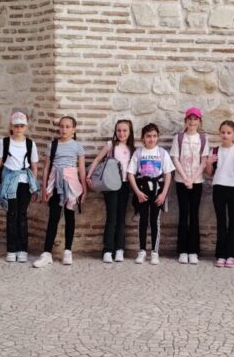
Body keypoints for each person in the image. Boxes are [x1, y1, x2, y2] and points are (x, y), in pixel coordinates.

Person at [34, 116, 87, 267]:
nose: (64, 129)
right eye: (62, 126)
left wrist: (84, 189)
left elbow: (81, 170)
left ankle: (68, 251)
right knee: (53, 217)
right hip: (55, 183)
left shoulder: (78, 147)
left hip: (71, 185)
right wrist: (44, 187)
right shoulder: (53, 145)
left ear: (74, 129)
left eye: (67, 127)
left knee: (70, 217)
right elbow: (46, 168)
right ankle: (47, 253)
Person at [0, 111, 40, 263]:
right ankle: (11, 249)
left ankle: (22, 249)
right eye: (16, 125)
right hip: (9, 182)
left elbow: (34, 167)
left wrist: (34, 187)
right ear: (11, 126)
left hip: (25, 182)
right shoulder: (4, 143)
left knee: (22, 215)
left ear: (25, 127)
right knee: (12, 214)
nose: (19, 128)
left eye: (22, 125)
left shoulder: (30, 144)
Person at [87, 119, 134, 263]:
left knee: (121, 218)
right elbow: (97, 160)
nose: (121, 133)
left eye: (125, 130)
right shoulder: (111, 145)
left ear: (130, 132)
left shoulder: (132, 149)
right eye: (119, 130)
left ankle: (119, 249)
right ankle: (108, 250)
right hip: (111, 186)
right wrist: (89, 175)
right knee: (111, 217)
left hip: (125, 185)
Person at [127, 123, 174, 264]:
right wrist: (137, 192)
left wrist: (163, 194)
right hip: (142, 190)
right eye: (148, 136)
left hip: (157, 191)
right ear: (143, 138)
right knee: (143, 220)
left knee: (155, 221)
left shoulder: (162, 153)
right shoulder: (138, 153)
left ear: (157, 137)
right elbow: (130, 173)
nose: (151, 139)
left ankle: (154, 252)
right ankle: (141, 251)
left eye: (154, 136)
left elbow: (168, 174)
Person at [170, 107, 210, 264]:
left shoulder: (203, 138)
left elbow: (204, 160)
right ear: (185, 121)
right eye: (190, 119)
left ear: (200, 121)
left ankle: (193, 251)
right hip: (181, 181)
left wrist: (192, 178)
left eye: (195, 119)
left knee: (194, 215)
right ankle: (182, 250)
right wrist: (185, 178)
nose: (192, 122)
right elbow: (175, 158)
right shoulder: (179, 137)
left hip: (197, 182)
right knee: (183, 214)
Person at [205, 120, 234, 268]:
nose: (225, 135)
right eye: (223, 132)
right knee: (221, 222)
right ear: (219, 133)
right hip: (219, 187)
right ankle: (221, 255)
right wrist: (208, 163)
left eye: (229, 133)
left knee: (233, 222)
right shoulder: (215, 150)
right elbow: (209, 173)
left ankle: (232, 255)